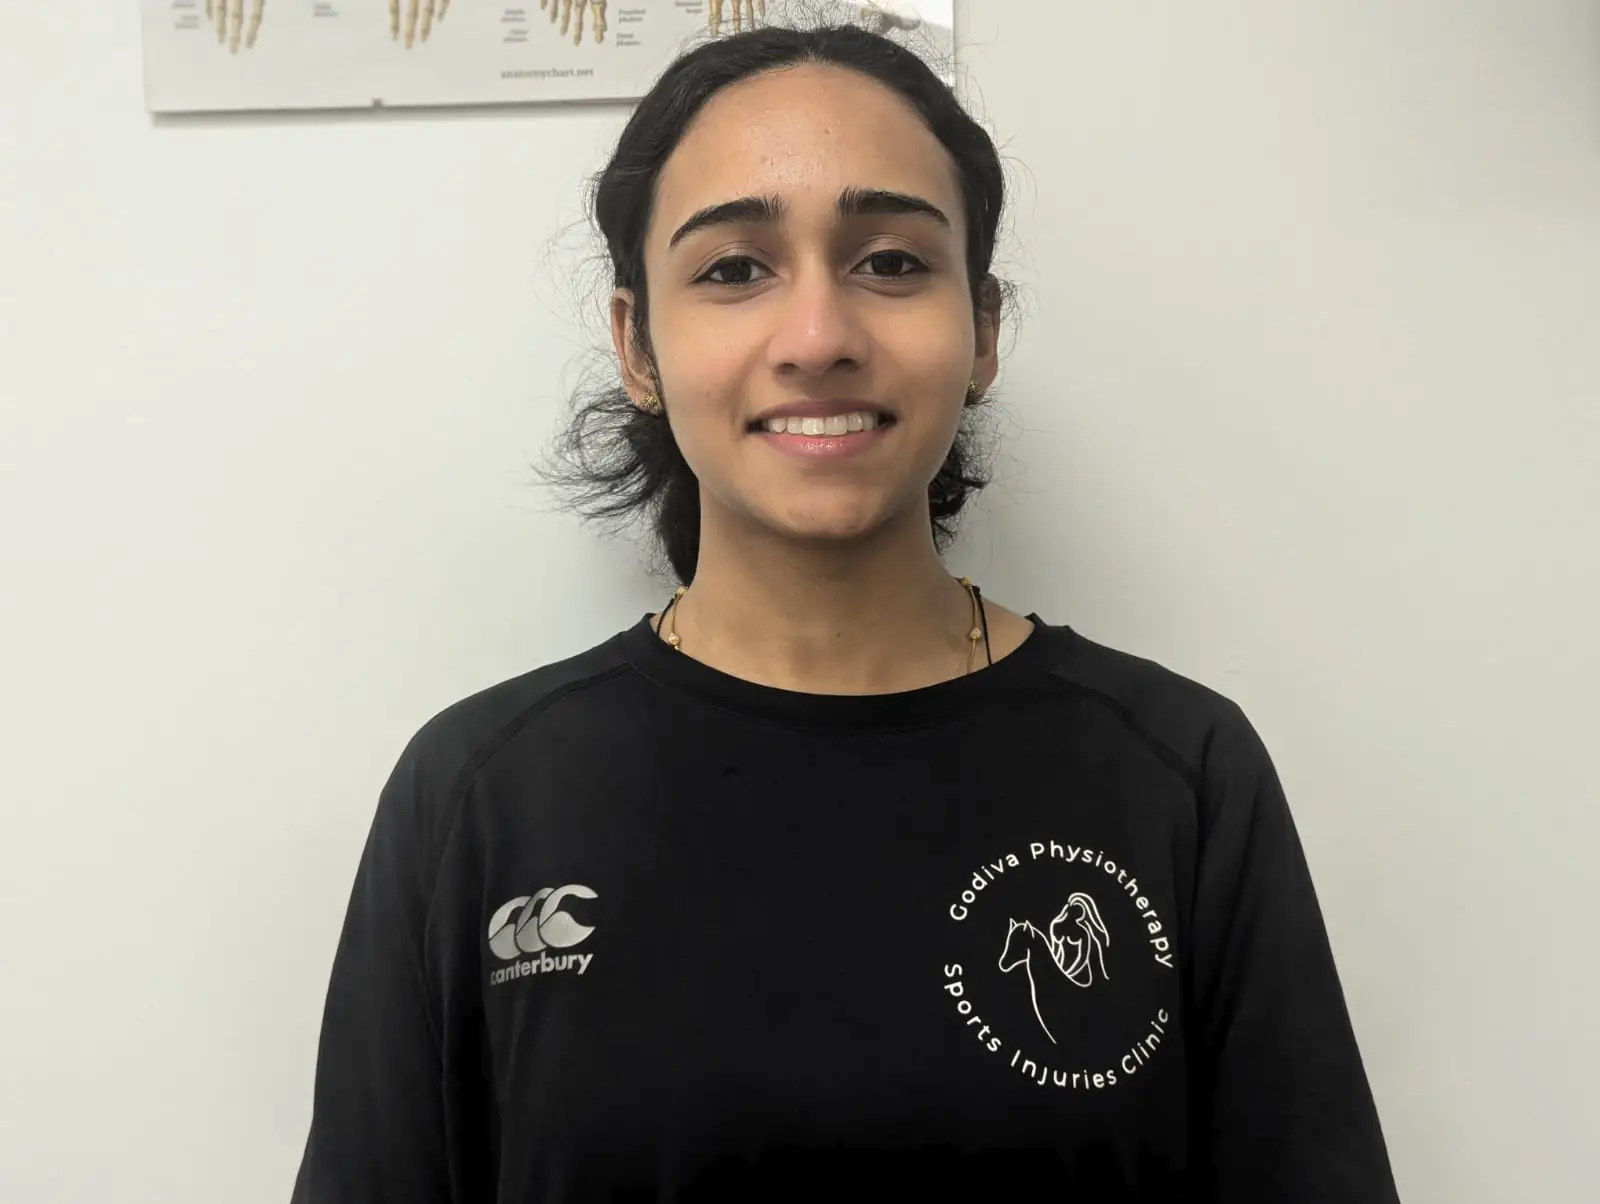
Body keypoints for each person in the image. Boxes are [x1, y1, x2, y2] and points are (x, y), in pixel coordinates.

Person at [290, 21, 1400, 1203]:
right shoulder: (480, 793)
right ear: (637, 344)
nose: (818, 338)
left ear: (980, 328)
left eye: (890, 262)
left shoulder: (1179, 774)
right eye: (732, 269)